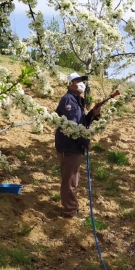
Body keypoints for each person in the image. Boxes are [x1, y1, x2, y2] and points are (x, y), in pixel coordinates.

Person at [54, 72, 100, 218]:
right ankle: (69, 211)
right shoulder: (68, 101)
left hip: (73, 146)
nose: (81, 83)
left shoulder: (77, 100)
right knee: (70, 181)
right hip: (69, 146)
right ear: (70, 84)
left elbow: (81, 122)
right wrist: (85, 142)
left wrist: (92, 114)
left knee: (73, 179)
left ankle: (72, 208)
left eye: (82, 80)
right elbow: (74, 126)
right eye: (78, 80)